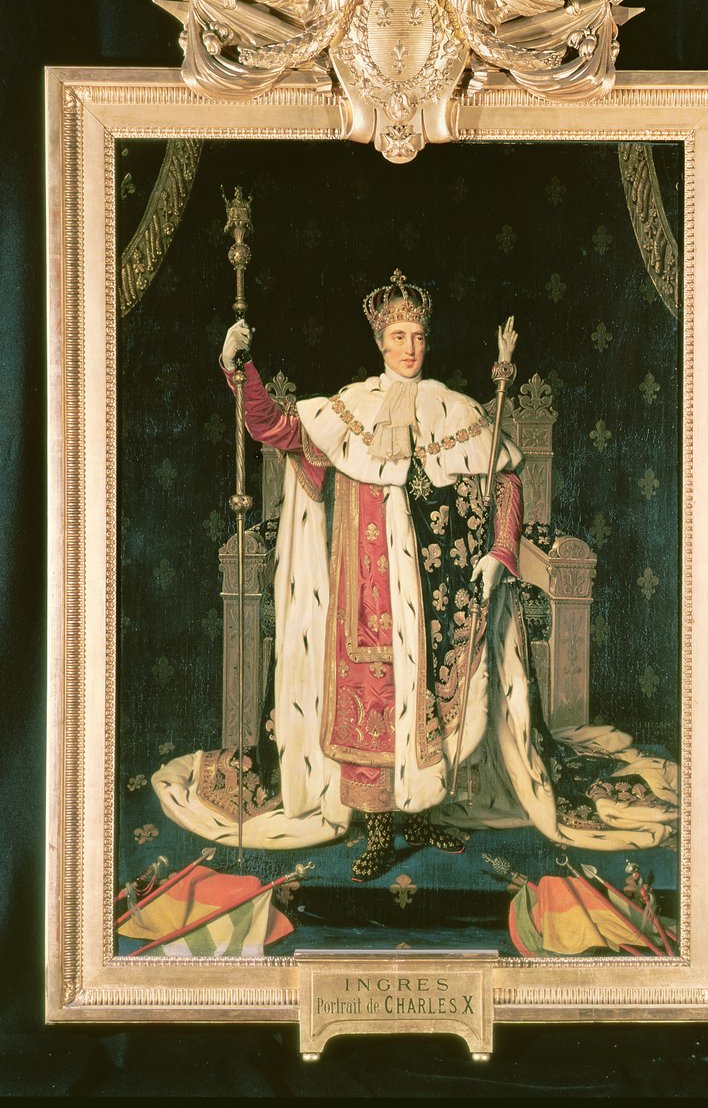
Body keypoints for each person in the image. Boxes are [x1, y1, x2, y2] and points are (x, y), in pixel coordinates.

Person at [152, 271, 678, 874]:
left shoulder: (455, 409)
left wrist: (501, 553)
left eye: (418, 336)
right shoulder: (349, 409)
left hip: (439, 592)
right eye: (398, 336)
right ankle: (379, 824)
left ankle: (424, 809)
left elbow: (506, 483)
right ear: (380, 342)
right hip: (363, 591)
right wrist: (238, 367)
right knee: (373, 699)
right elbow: (274, 427)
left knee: (431, 698)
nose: (410, 347)